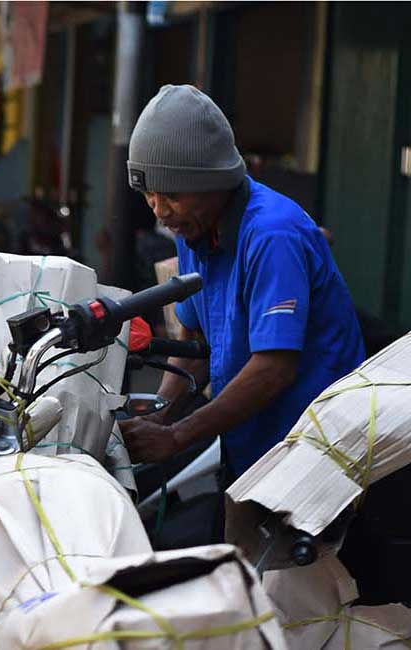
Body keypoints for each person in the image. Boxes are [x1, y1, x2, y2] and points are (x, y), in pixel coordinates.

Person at [119, 85, 365, 484]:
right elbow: (197, 344)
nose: (160, 211)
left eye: (172, 195)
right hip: (249, 450)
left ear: (216, 180)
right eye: (148, 194)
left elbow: (274, 369)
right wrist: (158, 412)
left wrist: (177, 435)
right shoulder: (192, 229)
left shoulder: (272, 235)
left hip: (314, 456)